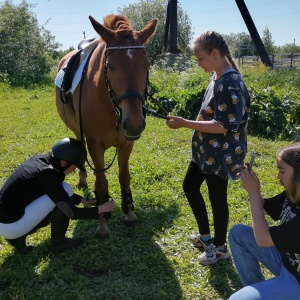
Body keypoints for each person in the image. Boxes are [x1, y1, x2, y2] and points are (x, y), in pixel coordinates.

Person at [165, 31, 250, 265]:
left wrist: (184, 124)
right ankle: (205, 237)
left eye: (201, 58)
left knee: (217, 199)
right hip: (205, 152)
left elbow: (223, 126)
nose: (198, 63)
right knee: (190, 186)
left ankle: (221, 248)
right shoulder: (216, 77)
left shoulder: (231, 82)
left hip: (221, 154)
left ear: (215, 53)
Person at [0, 137, 116, 254]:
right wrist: (102, 208)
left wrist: (83, 200)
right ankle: (59, 242)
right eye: (74, 167)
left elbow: (52, 191)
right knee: (66, 189)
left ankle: (17, 240)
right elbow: (72, 213)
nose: (73, 170)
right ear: (64, 163)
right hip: (12, 226)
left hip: (5, 222)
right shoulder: (48, 174)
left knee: (61, 193)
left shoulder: (40, 161)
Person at [228, 143, 300, 300]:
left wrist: (254, 193)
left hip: (297, 281)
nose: (278, 177)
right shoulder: (293, 194)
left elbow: (263, 239)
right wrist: (252, 186)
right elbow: (264, 207)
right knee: (238, 234)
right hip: (288, 262)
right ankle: (256, 290)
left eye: (282, 171)